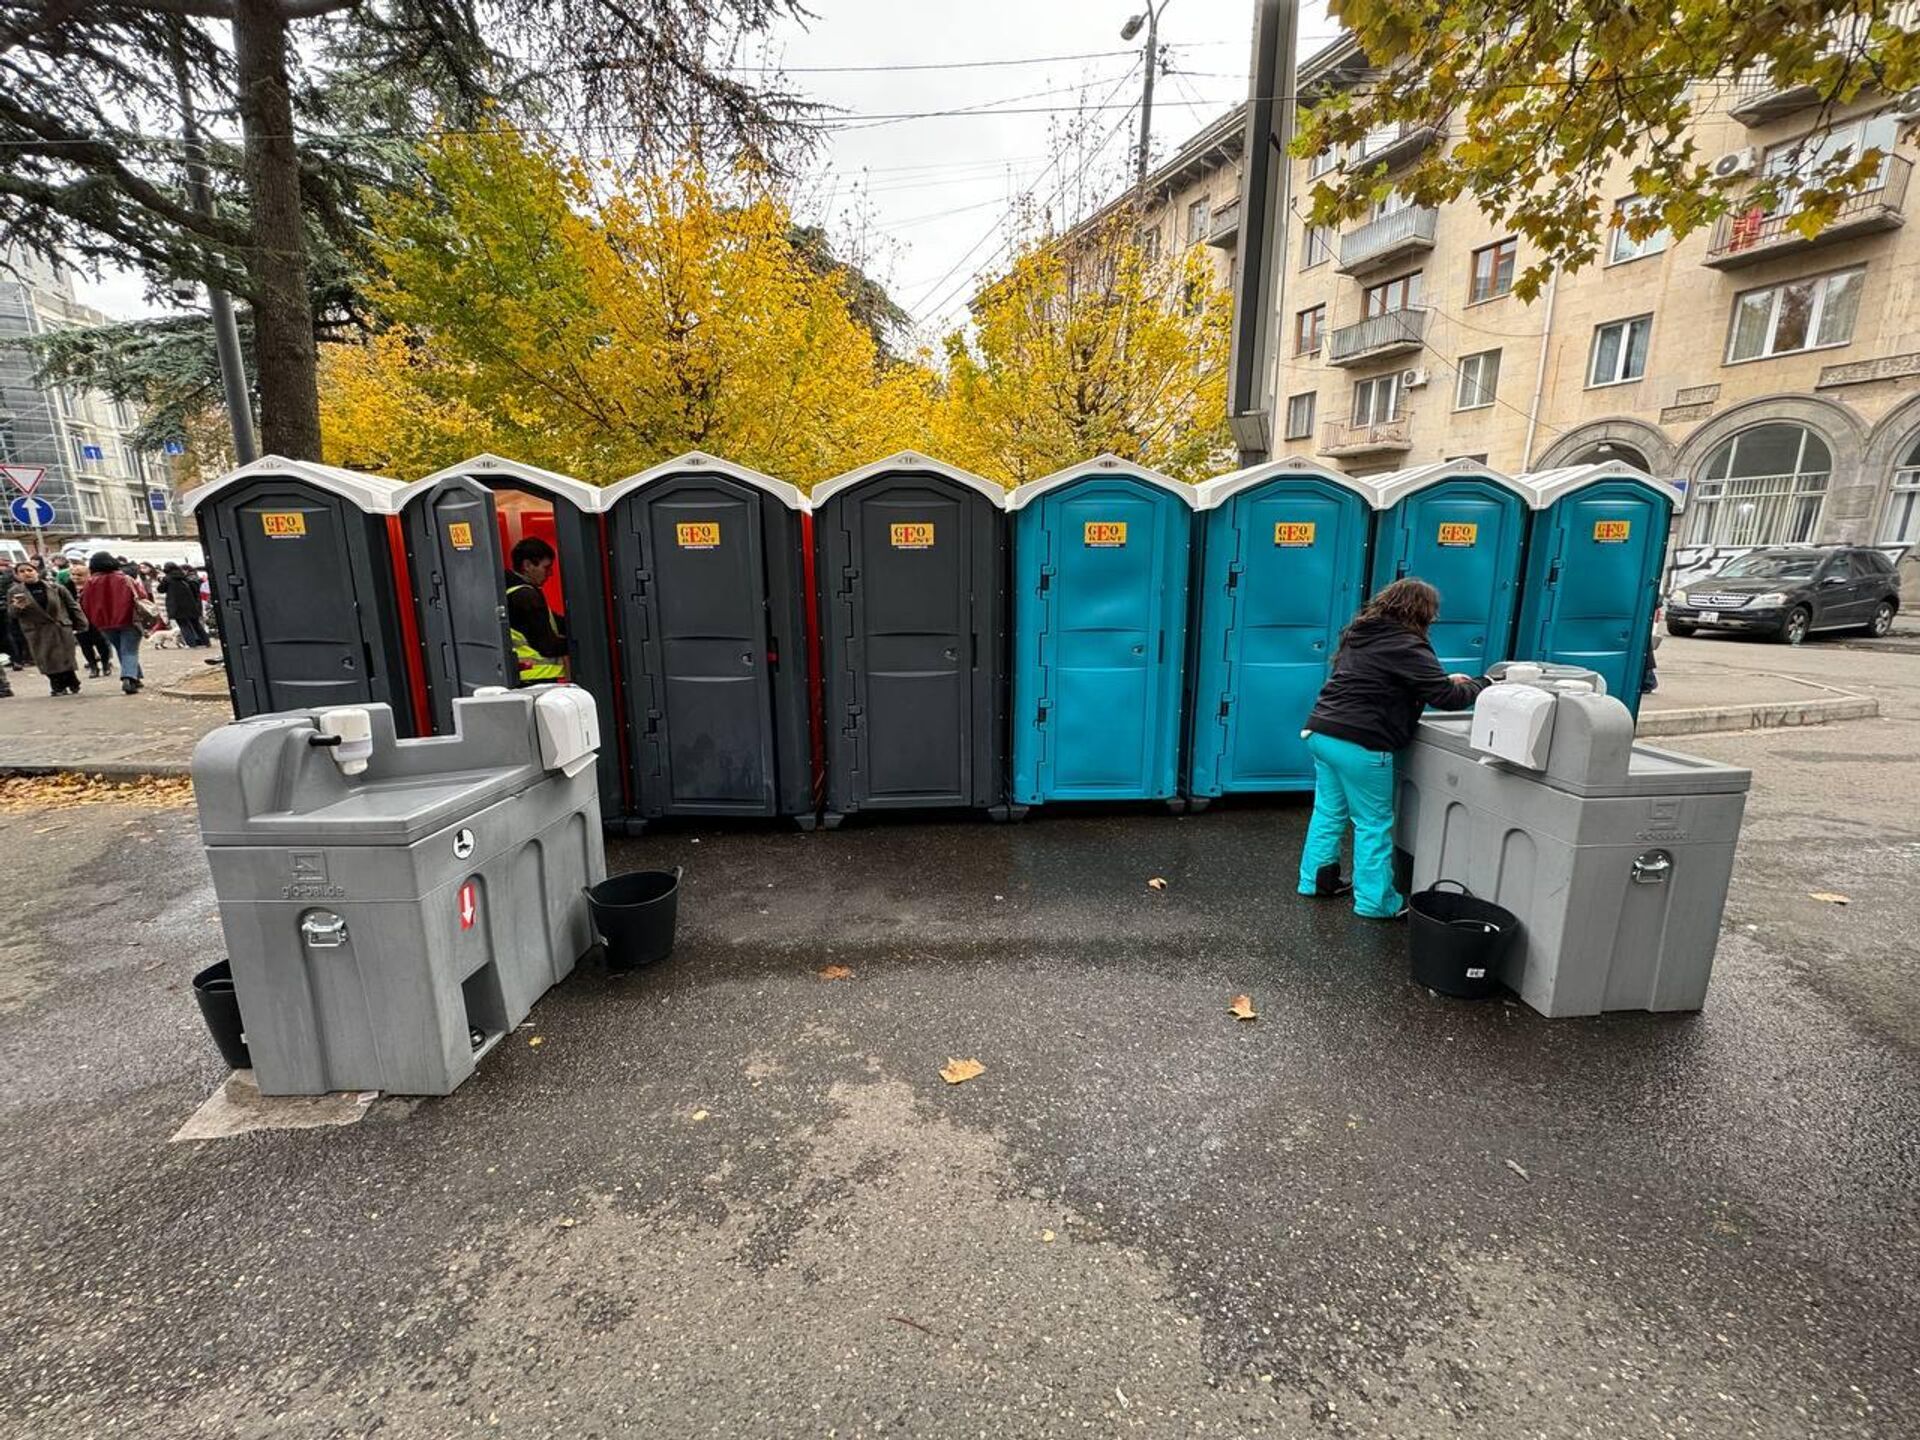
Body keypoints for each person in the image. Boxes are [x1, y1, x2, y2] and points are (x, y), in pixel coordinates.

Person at [1297, 578, 1491, 920]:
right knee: (1373, 823)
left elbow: (1384, 679)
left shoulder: (1363, 635)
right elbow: (1446, 699)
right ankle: (1376, 902)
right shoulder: (1409, 644)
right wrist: (1484, 684)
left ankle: (1317, 880)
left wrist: (1446, 680)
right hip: (1362, 741)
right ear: (1422, 612)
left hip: (1321, 732)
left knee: (1329, 812)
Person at [6, 561, 85, 696]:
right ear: (17, 576)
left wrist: (81, 622)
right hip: (37, 631)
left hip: (59, 627)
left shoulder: (55, 587)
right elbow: (11, 614)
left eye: (29, 570)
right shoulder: (14, 592)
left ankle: (71, 681)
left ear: (36, 571)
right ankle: (57, 685)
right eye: (22, 572)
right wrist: (17, 607)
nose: (26, 573)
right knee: (46, 659)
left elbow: (72, 606)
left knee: (65, 657)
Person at [80, 551, 147, 694]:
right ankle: (129, 678)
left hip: (104, 623)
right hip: (129, 619)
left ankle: (136, 677)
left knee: (122, 649)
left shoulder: (90, 583)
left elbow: (84, 604)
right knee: (129, 650)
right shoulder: (125, 578)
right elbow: (142, 595)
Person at [503, 537, 567, 684]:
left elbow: (553, 622)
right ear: (527, 565)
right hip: (536, 678)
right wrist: (580, 643)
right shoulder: (525, 596)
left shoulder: (510, 590)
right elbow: (547, 646)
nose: (550, 573)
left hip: (525, 677)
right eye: (546, 567)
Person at [159, 562, 211, 647]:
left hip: (176, 605)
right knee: (196, 624)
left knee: (183, 625)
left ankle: (191, 644)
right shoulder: (184, 577)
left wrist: (160, 580)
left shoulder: (167, 579)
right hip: (190, 604)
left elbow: (161, 589)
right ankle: (206, 642)